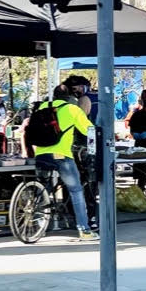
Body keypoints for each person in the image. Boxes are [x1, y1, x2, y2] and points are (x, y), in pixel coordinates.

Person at [25, 86, 93, 236]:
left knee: (44, 189)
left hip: (41, 153)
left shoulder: (43, 107)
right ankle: (84, 229)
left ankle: (36, 224)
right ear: (69, 96)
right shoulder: (72, 109)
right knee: (76, 190)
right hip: (61, 154)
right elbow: (89, 131)